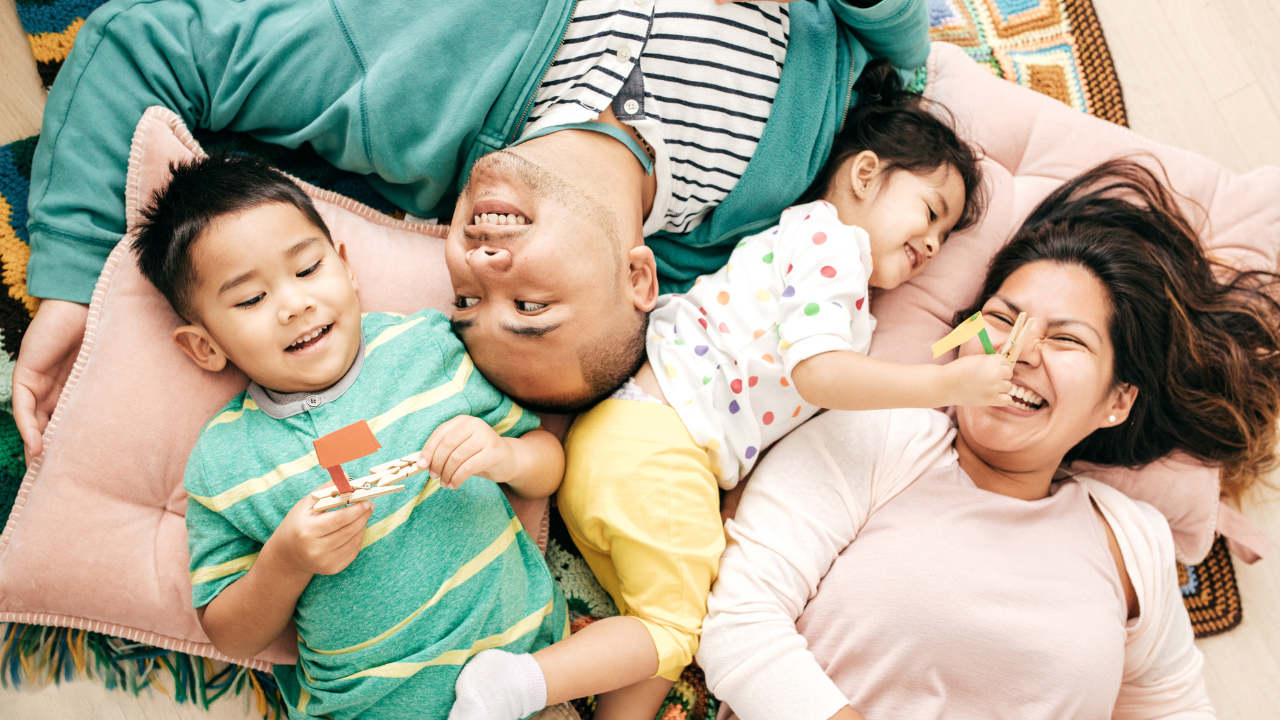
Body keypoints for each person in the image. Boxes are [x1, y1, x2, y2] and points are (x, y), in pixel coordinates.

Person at [16, 0, 931, 463]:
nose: (478, 263)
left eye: (462, 299)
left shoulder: (402, 99)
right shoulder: (759, 204)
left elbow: (144, 42)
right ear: (640, 278)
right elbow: (891, 52)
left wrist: (68, 282)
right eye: (529, 305)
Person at [447, 68, 992, 720]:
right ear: (866, 174)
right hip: (659, 444)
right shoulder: (830, 245)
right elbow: (819, 374)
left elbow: (782, 411)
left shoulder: (835, 290)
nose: (932, 243)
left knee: (664, 631)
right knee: (674, 629)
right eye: (930, 213)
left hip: (634, 444)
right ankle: (514, 685)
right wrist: (946, 384)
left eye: (944, 238)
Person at [695, 160, 1280, 720]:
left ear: (1117, 401)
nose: (1017, 352)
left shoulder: (1136, 544)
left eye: (1067, 340)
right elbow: (740, 626)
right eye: (1001, 319)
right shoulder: (874, 436)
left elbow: (1175, 709)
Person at [134, 155, 568, 720]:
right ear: (205, 346)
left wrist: (506, 455)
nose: (295, 305)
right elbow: (231, 635)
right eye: (250, 300)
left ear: (346, 267)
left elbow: (548, 464)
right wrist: (284, 563)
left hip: (528, 677)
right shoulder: (224, 462)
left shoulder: (427, 350)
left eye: (308, 269)